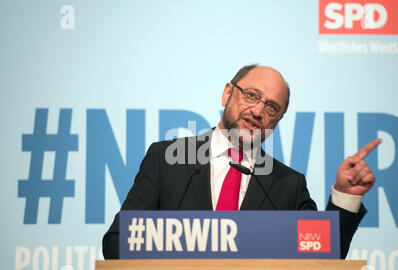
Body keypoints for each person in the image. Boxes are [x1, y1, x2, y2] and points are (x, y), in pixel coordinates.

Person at [102, 64, 380, 259]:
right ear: (227, 93)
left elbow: (323, 257)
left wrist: (345, 196)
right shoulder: (166, 161)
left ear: (278, 121)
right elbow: (116, 244)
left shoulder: (288, 186)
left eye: (272, 107)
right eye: (251, 95)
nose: (258, 110)